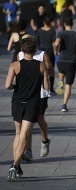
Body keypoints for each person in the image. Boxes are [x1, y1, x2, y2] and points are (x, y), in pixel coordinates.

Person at [5, 37, 49, 181]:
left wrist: (15, 87)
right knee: (25, 134)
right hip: (32, 103)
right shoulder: (41, 65)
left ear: (22, 50)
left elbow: (7, 86)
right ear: (35, 50)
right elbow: (47, 87)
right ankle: (14, 164)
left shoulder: (15, 65)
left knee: (18, 134)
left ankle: (16, 166)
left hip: (17, 102)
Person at [17, 35, 54, 162]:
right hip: (25, 93)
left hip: (41, 93)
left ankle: (45, 140)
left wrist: (46, 71)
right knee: (27, 123)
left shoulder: (43, 55)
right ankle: (29, 150)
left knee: (39, 119)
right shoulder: (20, 55)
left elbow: (51, 71)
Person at [54, 18, 76, 112]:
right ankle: (64, 105)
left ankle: (60, 82)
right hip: (71, 62)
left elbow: (56, 43)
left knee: (61, 73)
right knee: (68, 85)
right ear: (72, 24)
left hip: (61, 61)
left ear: (64, 24)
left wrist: (56, 50)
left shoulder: (61, 33)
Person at [36, 15, 57, 95]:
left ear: (44, 22)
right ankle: (51, 88)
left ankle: (41, 86)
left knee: (40, 69)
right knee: (51, 69)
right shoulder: (52, 31)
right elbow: (54, 43)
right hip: (50, 51)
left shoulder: (39, 31)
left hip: (41, 51)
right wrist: (56, 50)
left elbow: (37, 41)